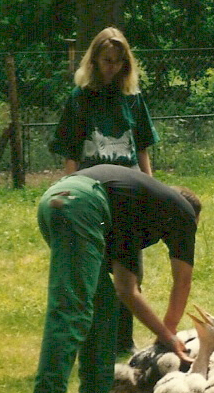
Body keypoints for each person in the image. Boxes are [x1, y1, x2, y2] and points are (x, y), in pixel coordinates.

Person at [21, 164, 201, 393]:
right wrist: (170, 338)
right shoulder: (182, 212)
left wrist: (164, 338)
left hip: (60, 201)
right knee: (72, 312)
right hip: (80, 204)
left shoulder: (133, 210)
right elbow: (182, 282)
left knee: (103, 307)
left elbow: (126, 291)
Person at [48, 26, 160, 353]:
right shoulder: (79, 99)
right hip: (92, 196)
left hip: (129, 194)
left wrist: (150, 189)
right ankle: (96, 340)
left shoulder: (133, 99)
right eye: (105, 60)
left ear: (126, 64)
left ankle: (123, 341)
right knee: (95, 270)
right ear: (94, 60)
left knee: (130, 271)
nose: (111, 67)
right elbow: (70, 151)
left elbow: (142, 148)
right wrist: (68, 192)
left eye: (117, 62)